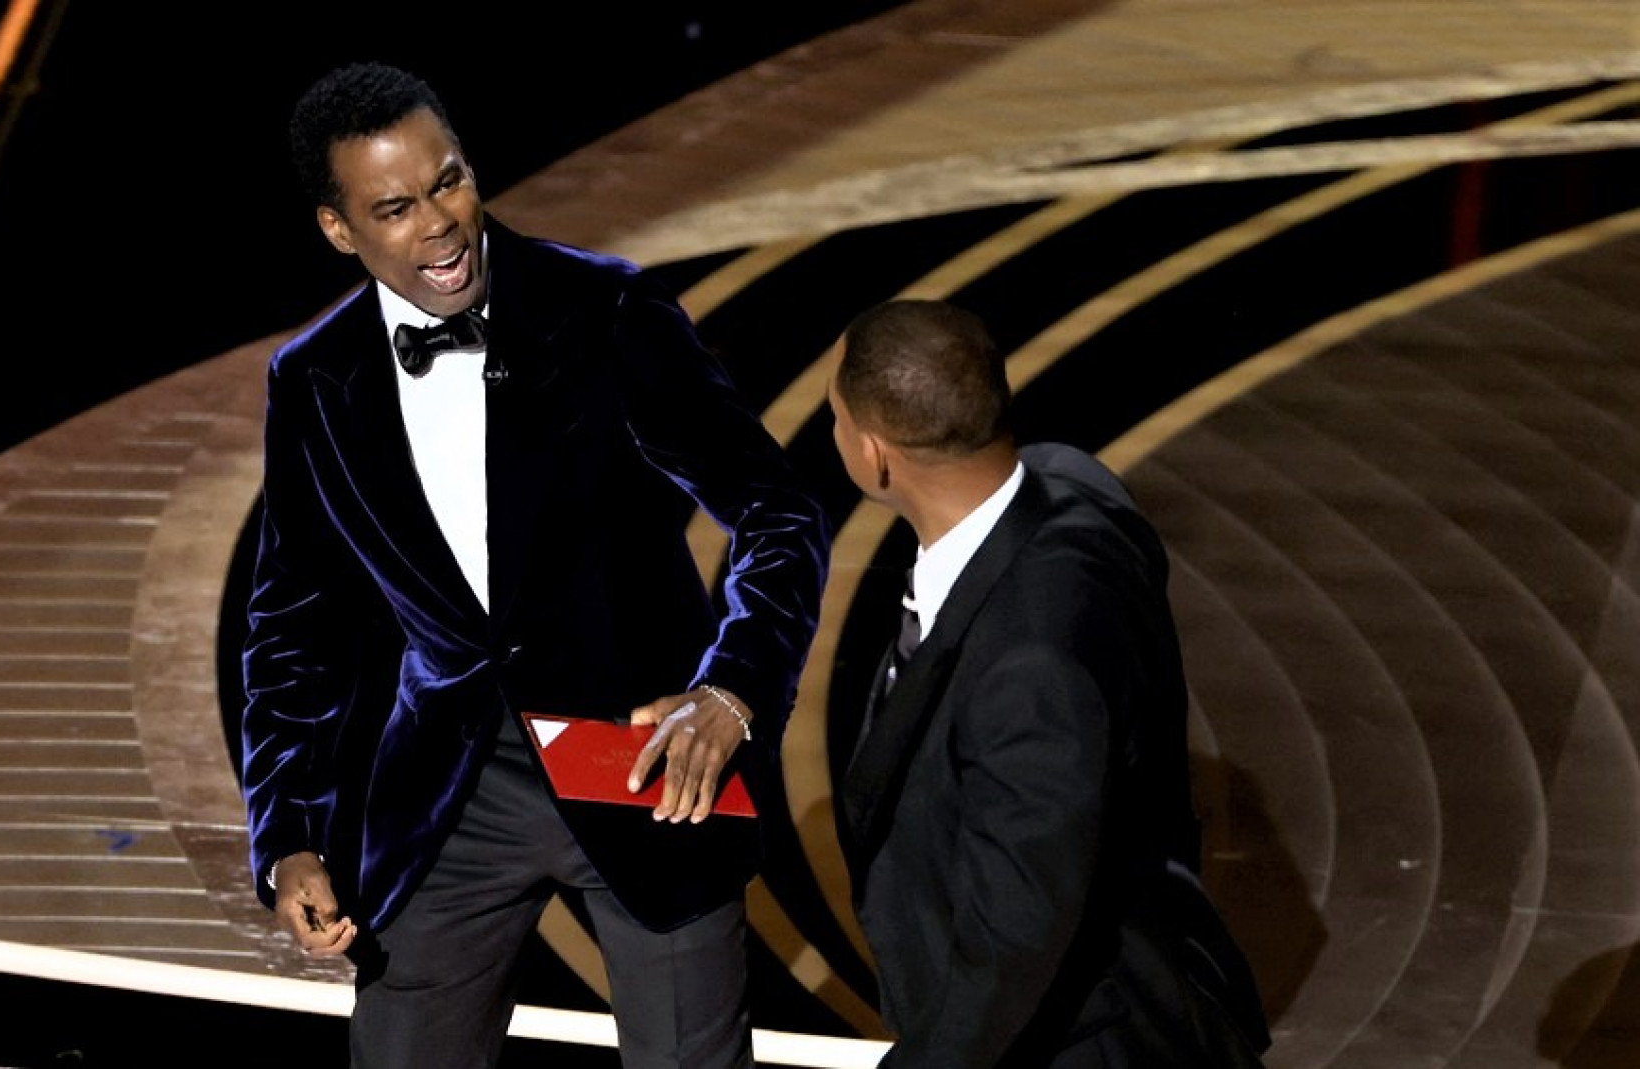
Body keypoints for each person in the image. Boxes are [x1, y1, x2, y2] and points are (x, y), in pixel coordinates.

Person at [238, 61, 831, 1068]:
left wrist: (733, 690)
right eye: (394, 208)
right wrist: (288, 831)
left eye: (449, 182)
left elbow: (778, 511)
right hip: (450, 793)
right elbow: (292, 626)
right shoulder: (313, 379)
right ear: (339, 229)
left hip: (644, 771)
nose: (439, 223)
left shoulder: (606, 309)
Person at [826, 299, 1271, 1067]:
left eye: (835, 418)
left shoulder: (1027, 669)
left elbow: (1019, 927)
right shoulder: (1075, 483)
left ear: (873, 455)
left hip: (1072, 1041)